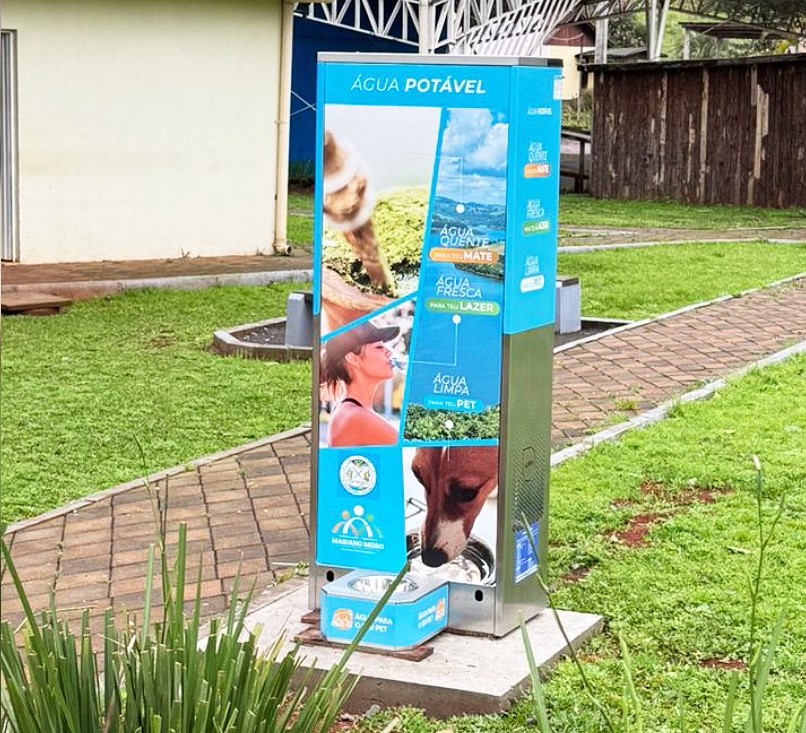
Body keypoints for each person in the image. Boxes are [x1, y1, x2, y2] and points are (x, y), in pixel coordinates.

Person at [320, 322, 400, 447]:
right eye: (379, 347)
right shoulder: (354, 417)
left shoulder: (350, 411)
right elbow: (419, 454)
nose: (389, 352)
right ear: (353, 359)